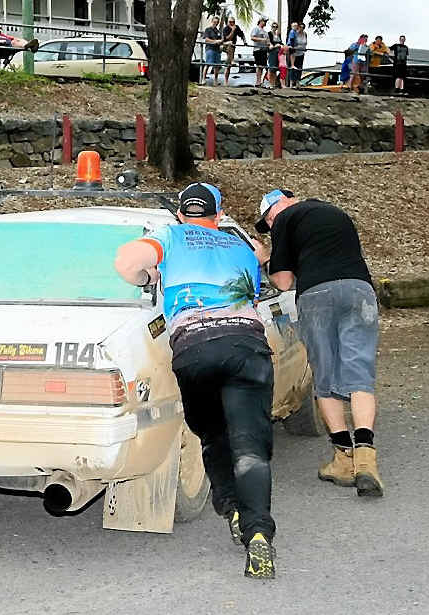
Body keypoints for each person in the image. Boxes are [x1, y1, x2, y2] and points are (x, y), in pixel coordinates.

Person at [114, 183, 277, 580]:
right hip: (247, 345)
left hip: (195, 349)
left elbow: (126, 262)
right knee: (250, 447)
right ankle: (258, 534)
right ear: (218, 215)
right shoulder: (239, 246)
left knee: (214, 436)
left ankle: (231, 508)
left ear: (180, 214)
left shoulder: (171, 236)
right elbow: (260, 271)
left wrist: (148, 274)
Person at [253, 190, 385, 500]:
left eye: (268, 220)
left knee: (324, 379)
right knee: (360, 375)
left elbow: (283, 282)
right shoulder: (334, 212)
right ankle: (366, 458)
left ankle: (344, 459)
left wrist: (266, 258)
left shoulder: (284, 219)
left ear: (276, 210)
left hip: (317, 297)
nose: (270, 226)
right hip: (359, 290)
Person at [221, 16, 246, 86]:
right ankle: (231, 60)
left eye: (233, 22)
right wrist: (232, 30)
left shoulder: (236, 27)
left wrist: (245, 41)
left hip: (232, 47)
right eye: (230, 22)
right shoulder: (226, 28)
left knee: (228, 65)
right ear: (228, 22)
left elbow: (242, 34)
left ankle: (226, 81)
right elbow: (228, 38)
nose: (232, 23)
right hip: (224, 45)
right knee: (230, 43)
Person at [201, 15, 224, 85]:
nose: (215, 24)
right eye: (214, 22)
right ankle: (203, 79)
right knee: (208, 64)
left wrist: (221, 43)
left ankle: (215, 81)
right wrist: (215, 41)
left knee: (216, 66)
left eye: (217, 23)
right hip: (210, 49)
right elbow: (206, 39)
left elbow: (221, 40)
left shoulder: (218, 31)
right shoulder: (208, 29)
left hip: (217, 50)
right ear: (212, 21)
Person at [250, 17, 270, 87]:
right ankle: (258, 82)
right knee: (259, 66)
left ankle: (261, 82)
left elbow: (268, 41)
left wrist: (268, 46)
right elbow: (252, 37)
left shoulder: (265, 32)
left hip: (264, 50)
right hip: (258, 50)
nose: (265, 23)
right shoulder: (256, 29)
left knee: (263, 67)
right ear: (260, 21)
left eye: (266, 21)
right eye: (264, 21)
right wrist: (262, 39)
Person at [288, 23, 308, 87]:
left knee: (300, 68)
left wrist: (305, 48)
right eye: (300, 27)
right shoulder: (294, 33)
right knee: (293, 67)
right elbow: (291, 41)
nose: (301, 29)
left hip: (301, 52)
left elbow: (305, 42)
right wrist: (292, 47)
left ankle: (297, 82)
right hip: (295, 52)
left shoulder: (305, 33)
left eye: (303, 27)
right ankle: (291, 83)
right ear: (298, 27)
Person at [267, 22, 284, 88]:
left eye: (276, 27)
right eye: (273, 26)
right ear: (271, 27)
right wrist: (275, 45)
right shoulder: (269, 33)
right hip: (272, 52)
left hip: (278, 52)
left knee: (276, 68)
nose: (275, 28)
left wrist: (281, 45)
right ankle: (270, 83)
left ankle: (274, 83)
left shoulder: (278, 34)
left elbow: (281, 42)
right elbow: (269, 42)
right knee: (271, 68)